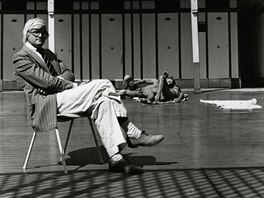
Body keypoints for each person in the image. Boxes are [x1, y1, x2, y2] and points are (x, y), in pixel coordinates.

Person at [13, 18, 164, 175]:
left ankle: (116, 159)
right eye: (36, 31)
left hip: (64, 97)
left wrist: (59, 81)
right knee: (104, 84)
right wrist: (70, 85)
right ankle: (132, 133)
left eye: (44, 32)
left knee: (104, 102)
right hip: (48, 104)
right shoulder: (21, 58)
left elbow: (69, 73)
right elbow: (47, 82)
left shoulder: (49, 54)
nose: (41, 35)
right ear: (26, 33)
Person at [118, 71, 188, 103]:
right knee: (127, 78)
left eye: (170, 81)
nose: (169, 82)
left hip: (146, 93)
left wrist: (179, 98)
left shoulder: (175, 88)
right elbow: (145, 80)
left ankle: (120, 92)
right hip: (141, 89)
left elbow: (182, 94)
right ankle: (117, 93)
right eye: (168, 80)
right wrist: (137, 82)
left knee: (124, 92)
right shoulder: (156, 82)